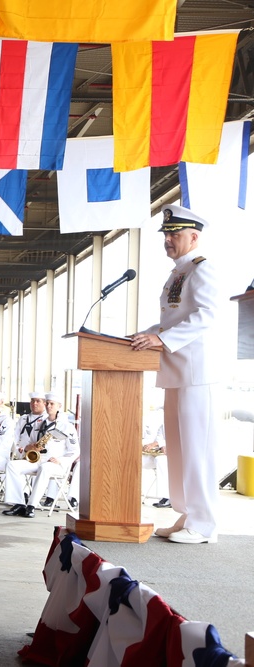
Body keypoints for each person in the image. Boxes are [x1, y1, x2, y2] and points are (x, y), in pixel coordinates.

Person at [130, 204, 224, 545]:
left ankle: (204, 524)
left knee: (197, 449)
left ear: (194, 237)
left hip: (196, 373)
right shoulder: (177, 273)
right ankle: (187, 513)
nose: (168, 239)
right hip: (176, 371)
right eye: (167, 234)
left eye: (175, 234)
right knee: (180, 449)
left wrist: (161, 338)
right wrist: (147, 333)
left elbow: (206, 315)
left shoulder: (202, 269)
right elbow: (172, 321)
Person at [1, 393, 79, 518]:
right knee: (12, 465)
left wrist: (60, 460)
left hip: (55, 464)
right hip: (38, 460)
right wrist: (29, 447)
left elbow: (75, 450)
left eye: (52, 404)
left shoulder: (67, 427)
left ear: (59, 406)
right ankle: (19, 503)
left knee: (45, 468)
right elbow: (29, 441)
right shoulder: (38, 423)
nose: (48, 406)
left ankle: (31, 506)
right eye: (47, 403)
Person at [141, 408, 170, 508]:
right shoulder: (164, 425)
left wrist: (157, 443)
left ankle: (167, 497)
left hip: (175, 459)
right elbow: (160, 438)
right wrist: (159, 445)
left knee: (161, 461)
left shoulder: (183, 423)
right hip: (161, 454)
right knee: (139, 460)